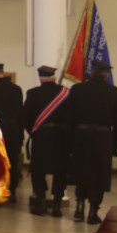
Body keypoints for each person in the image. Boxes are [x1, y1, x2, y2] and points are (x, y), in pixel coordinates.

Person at [68, 60, 117, 224]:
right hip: (103, 139)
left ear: (91, 73)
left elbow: (70, 118)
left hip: (80, 138)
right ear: (107, 75)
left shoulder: (77, 89)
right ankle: (93, 211)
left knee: (81, 172)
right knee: (99, 175)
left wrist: (70, 143)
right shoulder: (116, 93)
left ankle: (79, 208)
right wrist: (116, 148)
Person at [22, 65, 72, 217]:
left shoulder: (33, 93)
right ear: (54, 78)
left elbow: (25, 118)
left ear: (40, 78)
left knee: (38, 171)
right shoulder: (66, 93)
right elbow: (72, 117)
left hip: (41, 138)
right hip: (61, 138)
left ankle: (41, 203)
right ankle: (57, 205)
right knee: (60, 172)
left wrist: (35, 131)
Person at [0, 64, 24, 205]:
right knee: (12, 163)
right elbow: (21, 114)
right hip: (12, 130)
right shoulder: (16, 90)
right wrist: (20, 136)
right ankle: (12, 192)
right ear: (3, 73)